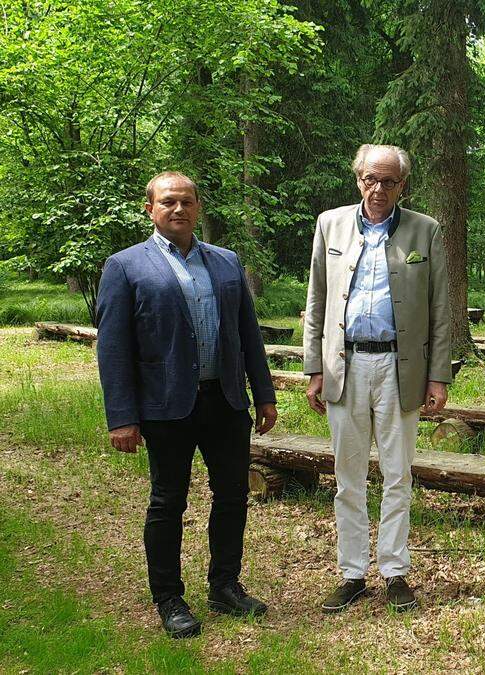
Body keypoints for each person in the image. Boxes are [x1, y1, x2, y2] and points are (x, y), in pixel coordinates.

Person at [95, 172, 277, 638]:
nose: (179, 209)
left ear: (198, 207)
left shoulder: (226, 261)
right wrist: (122, 417)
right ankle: (169, 597)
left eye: (187, 202)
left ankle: (225, 586)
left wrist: (264, 394)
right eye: (168, 202)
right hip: (165, 406)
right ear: (150, 208)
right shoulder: (125, 266)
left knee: (233, 495)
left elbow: (248, 335)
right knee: (167, 501)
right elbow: (113, 348)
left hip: (225, 401)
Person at [303, 144, 451, 613]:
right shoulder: (330, 224)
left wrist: (438, 376)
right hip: (344, 366)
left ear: (402, 185)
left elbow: (440, 311)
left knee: (397, 473)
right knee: (347, 476)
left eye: (389, 181)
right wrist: (313, 368)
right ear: (358, 180)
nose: (379, 188)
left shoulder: (424, 231)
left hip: (399, 368)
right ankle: (351, 573)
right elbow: (317, 301)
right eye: (371, 179)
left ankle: (394, 570)